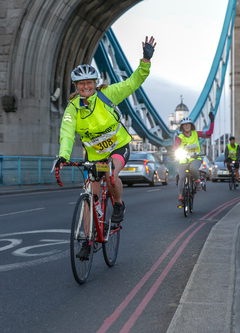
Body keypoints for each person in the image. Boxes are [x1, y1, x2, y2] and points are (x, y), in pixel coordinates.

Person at [56, 36, 156, 259]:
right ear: (76, 87)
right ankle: (87, 240)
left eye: (89, 82)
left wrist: (145, 61)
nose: (85, 86)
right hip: (94, 156)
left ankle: (118, 205)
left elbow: (132, 83)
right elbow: (67, 132)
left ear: (94, 83)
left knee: (111, 176)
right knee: (88, 197)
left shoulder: (107, 95)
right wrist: (63, 156)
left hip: (118, 148)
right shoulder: (72, 109)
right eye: (81, 84)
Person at [172, 113, 215, 208]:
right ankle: (180, 198)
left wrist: (212, 121)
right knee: (182, 176)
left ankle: (197, 181)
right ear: (182, 127)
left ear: (191, 126)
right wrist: (174, 152)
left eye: (188, 124)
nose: (187, 126)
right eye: (185, 125)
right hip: (183, 159)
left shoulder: (196, 133)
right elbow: (175, 147)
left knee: (193, 168)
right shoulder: (180, 137)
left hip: (195, 158)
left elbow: (209, 133)